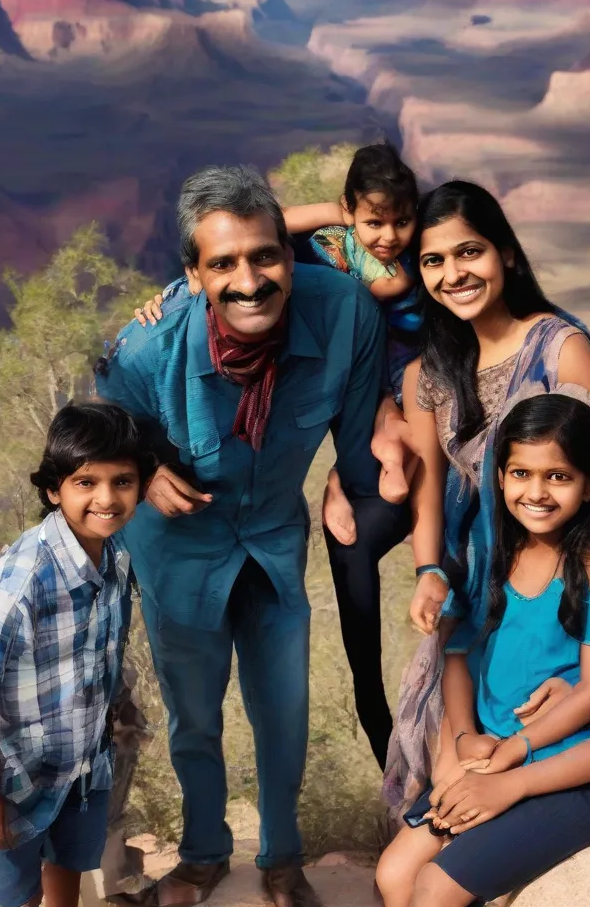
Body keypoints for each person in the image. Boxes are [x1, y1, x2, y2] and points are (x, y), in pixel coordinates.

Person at [94, 165, 390, 907]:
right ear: (192, 275)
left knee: (282, 708)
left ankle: (283, 860)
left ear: (289, 256)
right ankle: (201, 857)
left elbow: (358, 454)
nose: (248, 280)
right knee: (194, 713)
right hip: (178, 550)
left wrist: (356, 480)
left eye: (264, 256)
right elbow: (106, 438)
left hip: (271, 540)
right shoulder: (144, 353)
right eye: (222, 263)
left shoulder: (346, 312)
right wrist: (146, 465)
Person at [378, 181, 590, 857]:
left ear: (506, 252)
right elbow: (427, 487)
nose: (454, 274)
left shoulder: (557, 346)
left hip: (550, 601)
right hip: (474, 599)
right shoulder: (430, 371)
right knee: (451, 772)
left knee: (511, 770)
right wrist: (426, 570)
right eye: (433, 260)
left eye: (469, 252)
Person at [132, 142, 422, 771]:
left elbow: (269, 241)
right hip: (367, 393)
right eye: (373, 222)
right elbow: (247, 236)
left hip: (397, 385)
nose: (390, 236)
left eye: (403, 222)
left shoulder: (381, 272)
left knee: (389, 465)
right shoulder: (332, 252)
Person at [376, 391, 590, 907]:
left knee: (436, 888)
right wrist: (463, 738)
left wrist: (512, 757)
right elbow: (457, 655)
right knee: (394, 875)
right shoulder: (491, 559)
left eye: (558, 476)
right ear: (500, 477)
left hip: (573, 767)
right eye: (521, 474)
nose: (537, 493)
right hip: (494, 751)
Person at [0, 403, 152, 907]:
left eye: (122, 482)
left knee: (69, 865)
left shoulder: (115, 559)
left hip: (81, 767)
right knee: (16, 892)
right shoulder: (22, 584)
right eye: (86, 483)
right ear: (53, 489)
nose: (106, 498)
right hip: (17, 779)